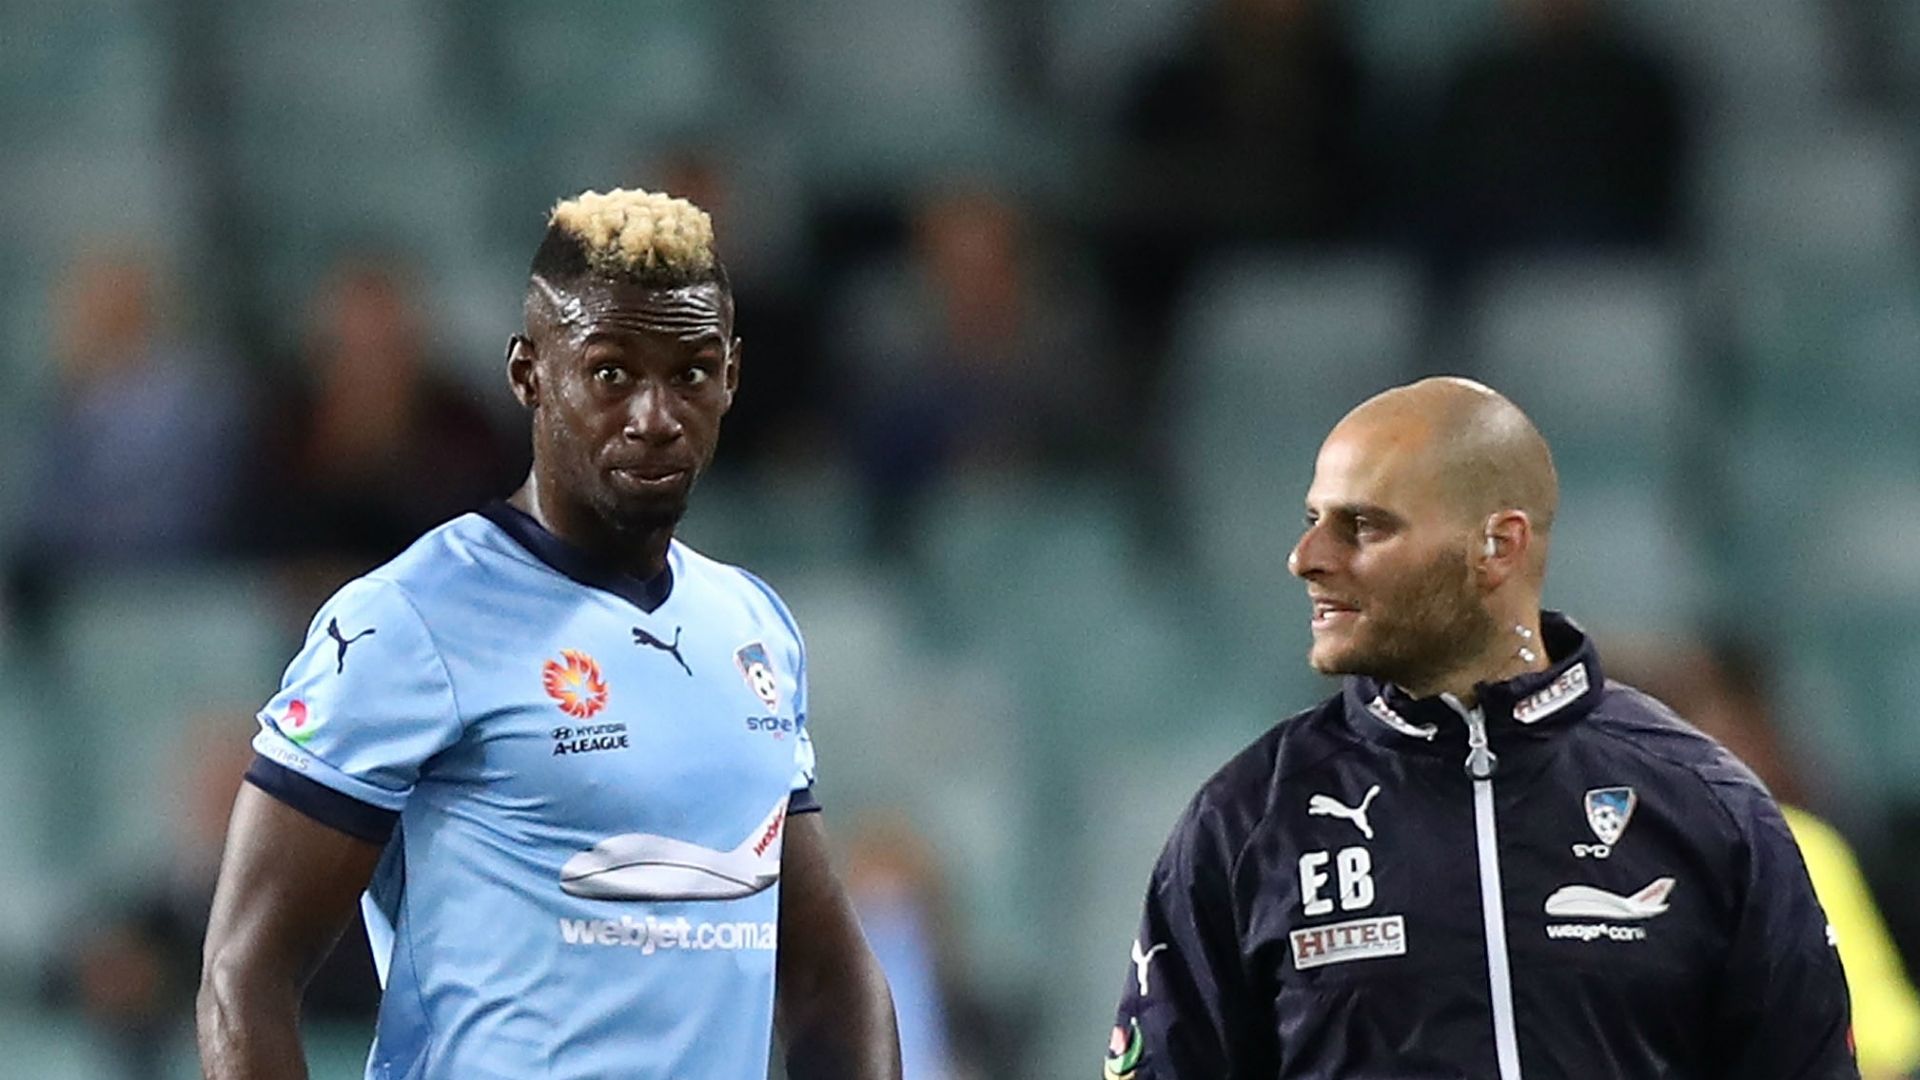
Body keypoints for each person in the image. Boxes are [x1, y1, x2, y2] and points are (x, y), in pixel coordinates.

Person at [197, 188, 902, 1079]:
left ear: (730, 377)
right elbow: (244, 969)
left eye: (690, 372)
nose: (655, 415)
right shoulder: (409, 619)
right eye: (612, 372)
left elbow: (826, 970)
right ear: (530, 373)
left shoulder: (753, 625)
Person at [1105, 377, 1856, 1078]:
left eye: (1361, 526)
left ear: (1498, 546)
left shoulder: (1708, 807)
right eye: (1312, 522)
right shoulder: (1244, 823)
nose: (1307, 559)